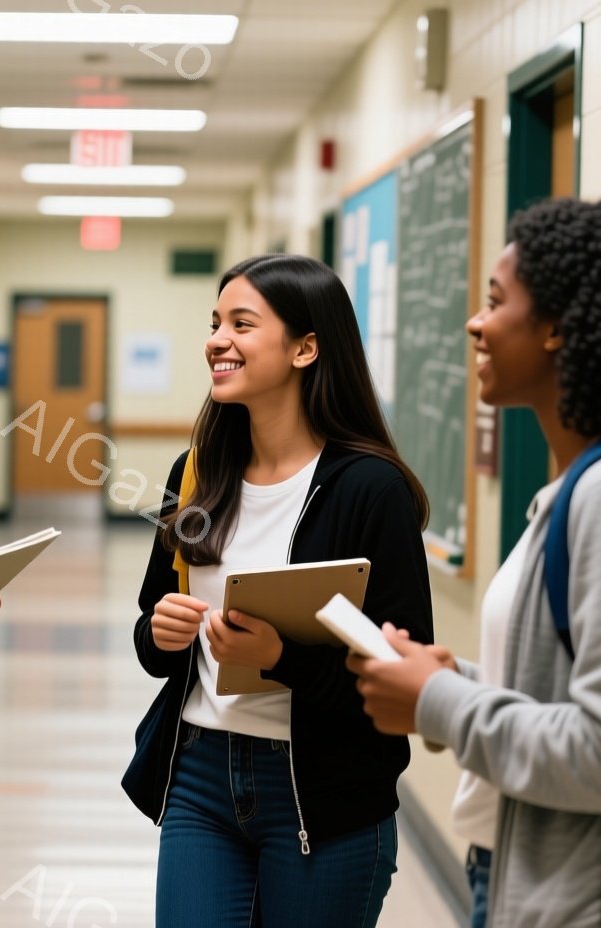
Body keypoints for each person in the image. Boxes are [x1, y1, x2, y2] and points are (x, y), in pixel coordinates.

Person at [348, 197, 601, 928]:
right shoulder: (583, 489)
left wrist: (435, 702)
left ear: (560, 329)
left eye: (498, 302)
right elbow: (568, 698)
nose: (476, 323)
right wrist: (447, 680)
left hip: (597, 906)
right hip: (530, 879)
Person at [121, 253, 435, 927]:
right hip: (200, 774)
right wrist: (160, 631)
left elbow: (405, 670)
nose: (216, 340)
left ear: (306, 347)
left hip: (324, 791)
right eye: (214, 323)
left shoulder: (369, 490)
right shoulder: (197, 472)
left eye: (241, 323)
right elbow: (152, 633)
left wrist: (282, 658)